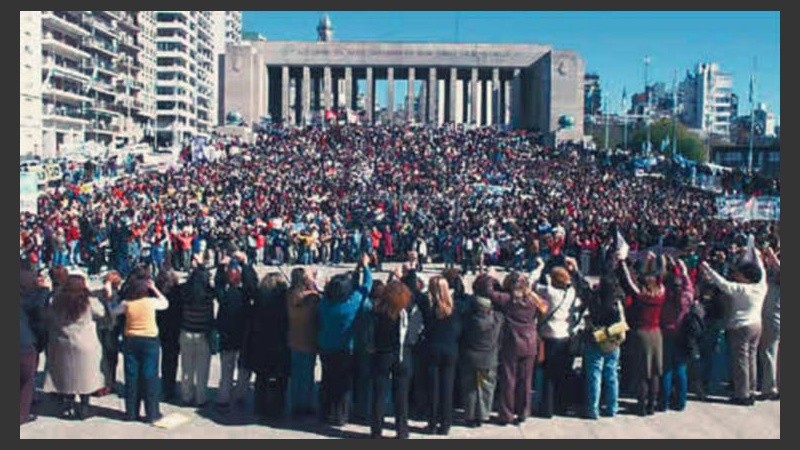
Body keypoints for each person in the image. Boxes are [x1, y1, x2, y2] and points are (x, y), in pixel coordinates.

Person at [474, 265, 547, 426]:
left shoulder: (507, 300)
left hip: (511, 343)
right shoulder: (533, 301)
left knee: (509, 379)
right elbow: (544, 306)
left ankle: (506, 414)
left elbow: (488, 292)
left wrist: (490, 276)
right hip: (530, 342)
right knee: (526, 380)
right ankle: (523, 412)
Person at [700, 237, 768, 406]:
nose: (737, 275)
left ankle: (741, 394)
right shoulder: (761, 286)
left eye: (740, 274)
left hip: (740, 326)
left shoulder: (742, 289)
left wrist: (708, 269)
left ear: (746, 278)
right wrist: (756, 255)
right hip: (756, 324)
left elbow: (723, 284)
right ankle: (751, 390)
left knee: (740, 361)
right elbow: (761, 270)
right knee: (751, 358)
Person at [567, 254, 626, 419]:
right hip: (613, 340)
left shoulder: (594, 300)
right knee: (611, 375)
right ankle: (612, 407)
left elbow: (583, 287)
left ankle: (593, 408)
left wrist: (575, 271)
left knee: (594, 375)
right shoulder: (617, 301)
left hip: (595, 339)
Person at [317, 253, 372, 426]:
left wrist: (357, 270)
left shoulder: (324, 303)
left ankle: (325, 412)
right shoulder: (352, 303)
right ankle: (340, 415)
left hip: (326, 346)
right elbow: (367, 286)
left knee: (327, 380)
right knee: (343, 384)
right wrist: (365, 267)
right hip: (344, 348)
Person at [43, 274, 106, 420]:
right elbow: (101, 313)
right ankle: (84, 406)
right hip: (85, 343)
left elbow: (49, 316)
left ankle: (68, 405)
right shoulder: (89, 302)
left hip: (63, 342)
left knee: (66, 374)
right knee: (86, 375)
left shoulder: (56, 301)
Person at [111, 277, 170, 423]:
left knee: (131, 375)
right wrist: (154, 288)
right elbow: (165, 303)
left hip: (131, 339)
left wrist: (111, 299)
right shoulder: (150, 302)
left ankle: (131, 412)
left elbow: (113, 311)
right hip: (149, 339)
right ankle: (152, 413)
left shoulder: (127, 304)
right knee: (150, 375)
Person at [619, 252, 667, 416]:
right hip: (656, 333)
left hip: (641, 333)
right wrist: (655, 262)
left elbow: (628, 281)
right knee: (655, 372)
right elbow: (661, 276)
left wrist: (623, 264)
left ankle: (641, 405)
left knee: (642, 372)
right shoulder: (661, 293)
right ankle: (651, 405)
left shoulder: (641, 296)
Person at [369, 281, 418, 439]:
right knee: (401, 396)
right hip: (402, 354)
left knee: (379, 394)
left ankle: (376, 430)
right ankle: (402, 430)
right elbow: (414, 334)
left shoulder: (378, 311)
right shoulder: (408, 311)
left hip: (382, 354)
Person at [535, 266, 584, 418]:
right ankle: (562, 406)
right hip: (565, 337)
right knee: (563, 373)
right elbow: (579, 285)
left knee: (548, 374)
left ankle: (547, 408)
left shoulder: (548, 292)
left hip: (548, 336)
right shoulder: (570, 293)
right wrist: (574, 270)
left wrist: (539, 267)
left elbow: (532, 283)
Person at [214, 252, 258, 410]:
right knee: (243, 367)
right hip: (243, 333)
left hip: (227, 334)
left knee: (227, 368)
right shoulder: (244, 293)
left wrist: (221, 267)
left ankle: (224, 396)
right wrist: (245, 264)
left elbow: (218, 283)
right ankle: (240, 393)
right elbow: (252, 284)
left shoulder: (224, 294)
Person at [243, 273, 290, 419]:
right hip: (279, 345)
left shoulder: (258, 301)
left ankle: (260, 407)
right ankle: (276, 409)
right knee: (279, 380)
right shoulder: (283, 303)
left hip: (260, 344)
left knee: (261, 378)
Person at [421, 276, 463, 436]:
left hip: (433, 348)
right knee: (447, 388)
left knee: (433, 388)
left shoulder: (428, 308)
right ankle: (445, 424)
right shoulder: (455, 308)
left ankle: (432, 422)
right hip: (450, 349)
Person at [459, 295, 504, 428]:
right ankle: (483, 414)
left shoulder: (469, 321)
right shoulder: (497, 319)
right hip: (489, 359)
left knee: (470, 388)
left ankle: (470, 415)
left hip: (471, 358)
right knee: (487, 387)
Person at [179, 258, 215, 407]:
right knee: (202, 369)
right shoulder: (208, 295)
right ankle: (201, 397)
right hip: (203, 333)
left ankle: (186, 396)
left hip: (187, 330)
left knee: (187, 368)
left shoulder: (185, 293)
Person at [660, 256, 694, 412]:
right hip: (681, 333)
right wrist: (684, 272)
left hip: (665, 332)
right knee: (680, 369)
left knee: (666, 369)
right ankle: (680, 402)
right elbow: (690, 287)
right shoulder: (686, 297)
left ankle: (664, 401)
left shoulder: (663, 296)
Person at [286, 267, 321, 416]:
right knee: (307, 375)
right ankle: (305, 404)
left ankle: (296, 403)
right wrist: (314, 283)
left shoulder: (289, 295)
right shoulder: (311, 299)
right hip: (308, 340)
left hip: (294, 339)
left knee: (296, 375)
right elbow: (319, 299)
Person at [20, 268, 50, 425]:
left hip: (26, 342)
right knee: (26, 382)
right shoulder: (30, 302)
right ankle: (22, 415)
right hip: (25, 345)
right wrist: (43, 291)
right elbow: (39, 318)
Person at [155, 261, 183, 401]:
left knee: (162, 358)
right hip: (175, 327)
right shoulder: (178, 292)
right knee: (172, 358)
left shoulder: (156, 292)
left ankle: (163, 386)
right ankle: (169, 386)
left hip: (160, 326)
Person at [96, 271, 124, 396]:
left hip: (109, 328)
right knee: (108, 357)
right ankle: (107, 383)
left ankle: (108, 382)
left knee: (108, 356)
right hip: (108, 327)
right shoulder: (106, 295)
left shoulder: (117, 295)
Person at [758, 246, 780, 401]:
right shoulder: (772, 282)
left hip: (773, 320)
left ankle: (769, 388)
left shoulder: (775, 285)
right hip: (774, 319)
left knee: (768, 354)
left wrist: (772, 256)